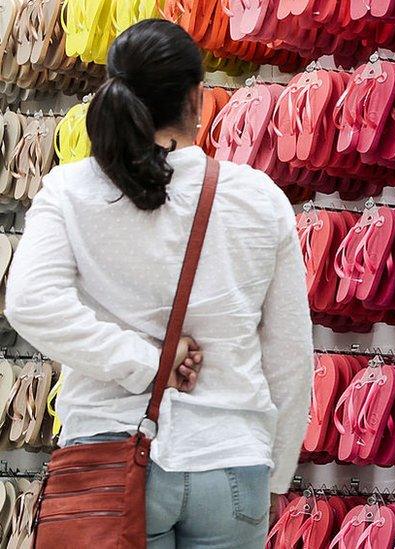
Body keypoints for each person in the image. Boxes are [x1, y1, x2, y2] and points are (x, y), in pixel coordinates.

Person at [4, 19, 313, 548]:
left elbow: (31, 302)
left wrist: (147, 364)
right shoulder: (257, 197)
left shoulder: (71, 190)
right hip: (231, 458)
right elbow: (289, 352)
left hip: (108, 454)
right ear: (197, 97)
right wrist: (277, 470)